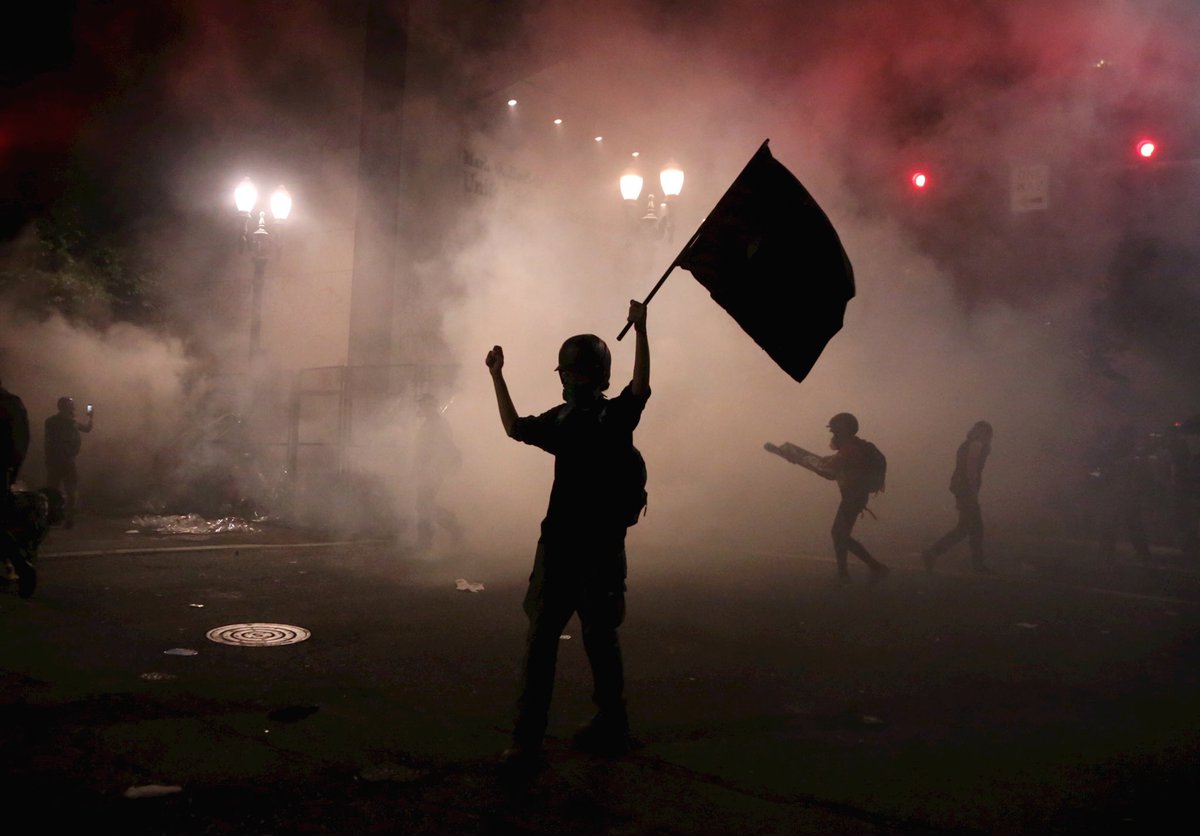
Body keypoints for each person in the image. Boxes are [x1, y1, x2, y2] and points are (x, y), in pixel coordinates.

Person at [487, 299, 650, 768]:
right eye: (564, 373)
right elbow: (515, 427)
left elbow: (640, 387)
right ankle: (535, 734)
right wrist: (497, 375)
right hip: (563, 549)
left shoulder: (612, 418)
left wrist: (641, 330)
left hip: (590, 551)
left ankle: (597, 726)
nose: (565, 380)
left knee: (593, 638)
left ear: (594, 377)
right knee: (548, 640)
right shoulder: (564, 420)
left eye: (572, 373)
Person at [819, 412, 890, 583]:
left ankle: (847, 574)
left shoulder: (849, 449)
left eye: (835, 431)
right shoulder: (853, 446)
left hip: (853, 496)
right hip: (856, 495)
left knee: (838, 533)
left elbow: (830, 471)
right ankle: (872, 567)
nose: (833, 434)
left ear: (843, 431)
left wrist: (798, 460)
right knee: (841, 534)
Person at [922, 420, 994, 574]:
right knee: (974, 529)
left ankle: (933, 553)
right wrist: (974, 493)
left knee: (965, 528)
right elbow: (971, 471)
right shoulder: (976, 445)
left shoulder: (967, 444)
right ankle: (977, 565)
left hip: (961, 489)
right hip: (967, 490)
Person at [412, 393, 464, 555]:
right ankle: (449, 531)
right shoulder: (429, 423)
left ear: (431, 406)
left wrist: (431, 469)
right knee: (423, 505)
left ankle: (449, 531)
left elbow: (443, 448)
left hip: (434, 470)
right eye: (421, 405)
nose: (421, 408)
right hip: (428, 469)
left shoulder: (437, 424)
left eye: (424, 405)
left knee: (423, 504)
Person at [1094, 424, 1153, 563]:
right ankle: (1139, 553)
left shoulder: (1126, 451)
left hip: (1122, 492)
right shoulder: (1132, 451)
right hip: (1123, 492)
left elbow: (1109, 469)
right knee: (1127, 523)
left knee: (1115, 522)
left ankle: (1108, 553)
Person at [1, 376, 36, 597]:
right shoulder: (12, 403)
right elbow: (22, 440)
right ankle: (17, 564)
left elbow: (18, 442)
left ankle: (20, 565)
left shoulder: (8, 404)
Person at [43, 396, 92, 528]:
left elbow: (47, 443)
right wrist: (90, 416)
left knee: (53, 490)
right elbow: (87, 428)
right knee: (70, 491)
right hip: (67, 461)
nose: (73, 409)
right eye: (71, 406)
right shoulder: (71, 423)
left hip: (55, 461)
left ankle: (53, 518)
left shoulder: (51, 421)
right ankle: (67, 519)